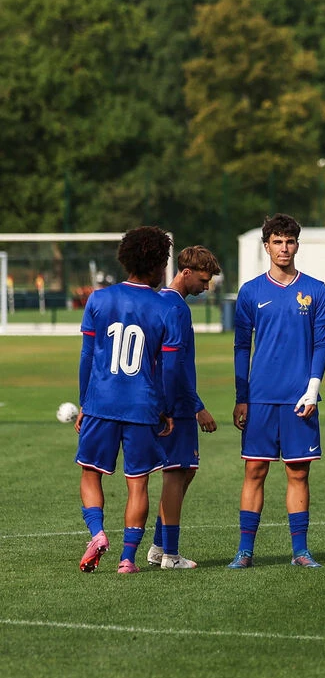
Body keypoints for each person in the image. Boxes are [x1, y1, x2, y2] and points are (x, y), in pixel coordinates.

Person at [74, 226, 181, 573]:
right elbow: (169, 368)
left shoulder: (98, 299)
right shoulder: (165, 308)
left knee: (91, 473)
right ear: (157, 264)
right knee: (138, 483)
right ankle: (127, 559)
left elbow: (87, 357)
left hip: (101, 403)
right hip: (142, 405)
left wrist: (84, 403)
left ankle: (97, 533)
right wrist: (165, 408)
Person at [229, 214, 325, 569]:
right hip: (260, 398)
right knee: (254, 471)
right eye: (277, 241)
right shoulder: (251, 291)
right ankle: (244, 551)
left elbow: (321, 344)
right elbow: (242, 346)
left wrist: (313, 389)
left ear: (297, 245)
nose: (283, 248)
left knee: (298, 473)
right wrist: (241, 397)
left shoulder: (316, 289)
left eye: (289, 241)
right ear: (266, 246)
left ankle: (300, 551)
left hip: (299, 398)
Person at [148, 245, 222, 570]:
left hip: (165, 400)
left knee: (185, 470)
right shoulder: (177, 308)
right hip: (175, 404)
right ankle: (171, 555)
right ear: (186, 273)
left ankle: (158, 547)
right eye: (203, 281)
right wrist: (197, 406)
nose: (206, 287)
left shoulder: (159, 302)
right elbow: (174, 365)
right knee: (176, 473)